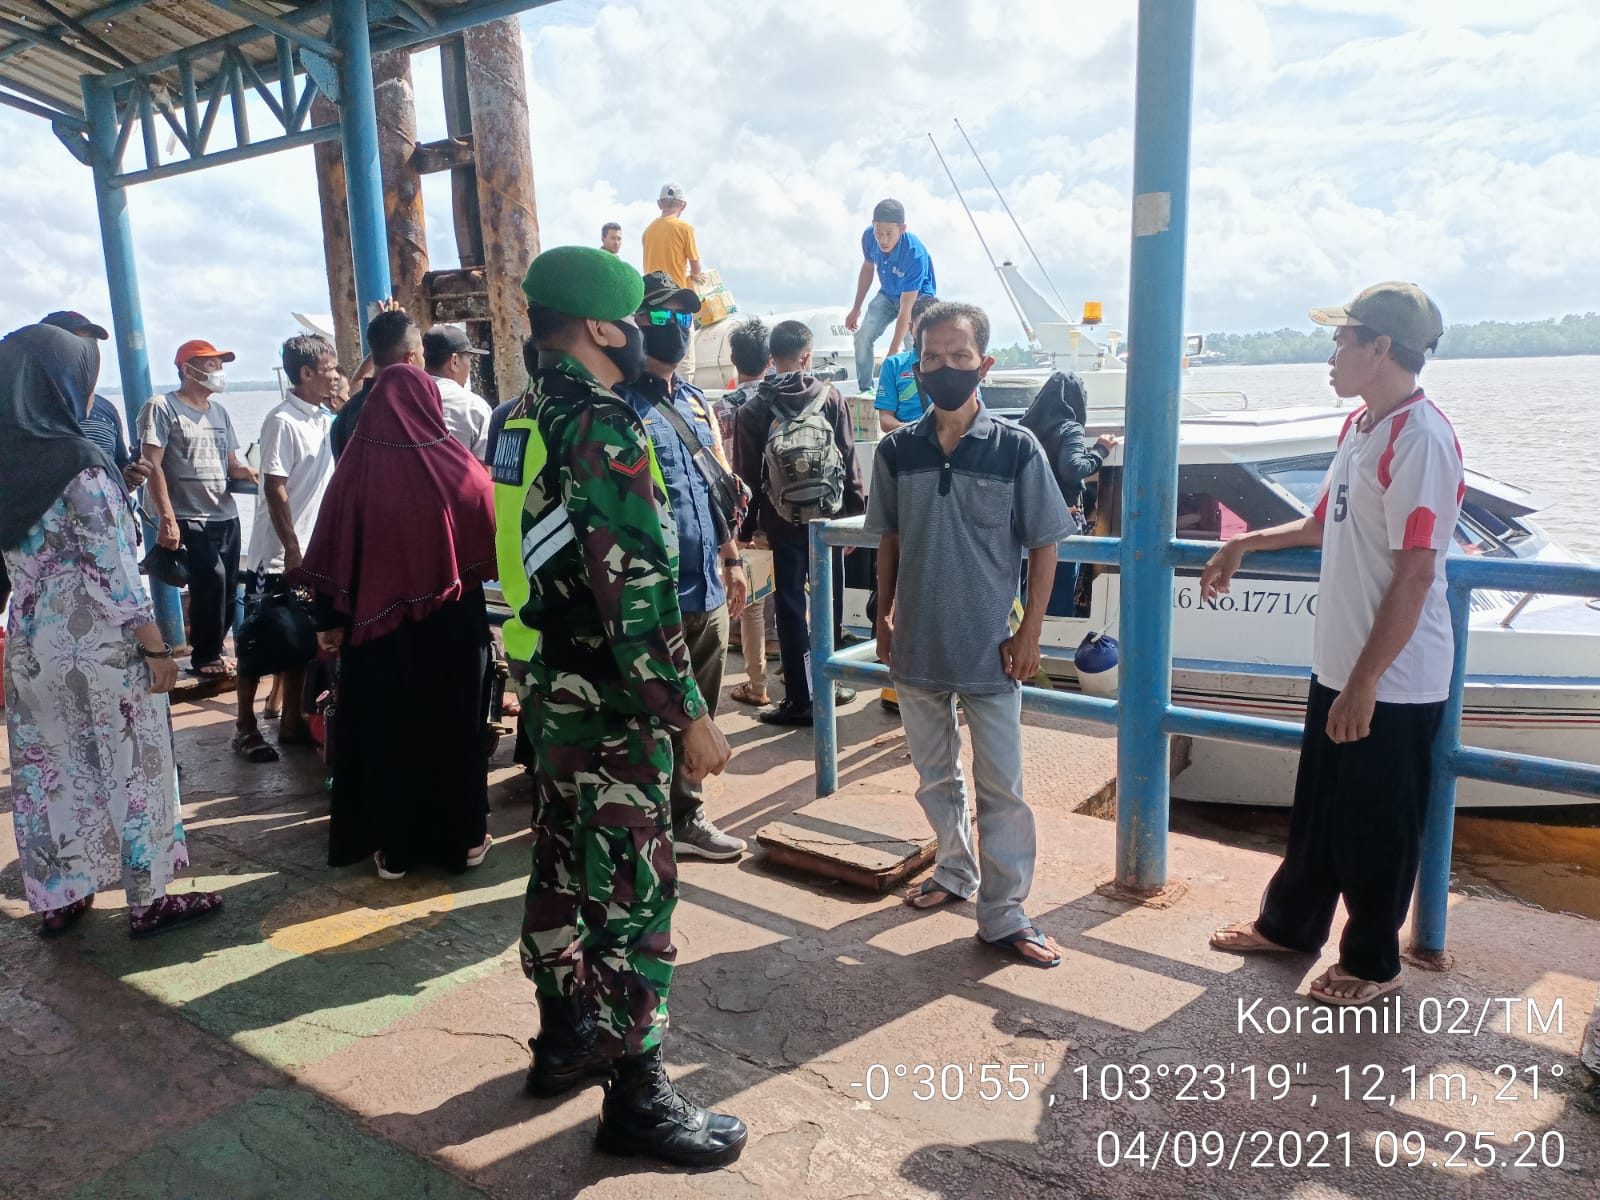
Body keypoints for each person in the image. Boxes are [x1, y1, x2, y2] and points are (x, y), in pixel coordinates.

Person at [503, 246, 743, 1168]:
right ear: (603, 327)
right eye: (637, 316)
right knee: (635, 896)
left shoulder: (529, 416)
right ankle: (636, 1097)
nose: (648, 330)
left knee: (563, 865)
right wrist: (687, 713)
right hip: (612, 704)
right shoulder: (604, 425)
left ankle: (563, 1035)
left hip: (554, 687)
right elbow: (633, 593)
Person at [1204, 282, 1460, 1007]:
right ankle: (1291, 925)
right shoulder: (1362, 427)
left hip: (1393, 679)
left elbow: (1416, 572)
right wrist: (1248, 541)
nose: (1331, 354)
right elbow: (1324, 521)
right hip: (1342, 664)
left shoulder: (1421, 439)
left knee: (1378, 822)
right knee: (1318, 811)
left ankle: (1374, 965)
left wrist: (1366, 682)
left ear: (1380, 348)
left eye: (1343, 340)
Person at [866, 302, 1074, 968]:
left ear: (984, 363)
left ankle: (1005, 911)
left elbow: (1045, 545)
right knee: (933, 778)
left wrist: (1030, 632)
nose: (946, 368)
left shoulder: (1018, 448)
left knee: (1002, 787)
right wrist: (884, 616)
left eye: (960, 357)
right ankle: (955, 872)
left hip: (993, 650)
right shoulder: (897, 450)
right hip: (917, 645)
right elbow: (890, 539)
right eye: (933, 358)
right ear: (917, 366)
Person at [1, 324, 222, 939]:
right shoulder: (78, 459)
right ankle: (149, 899)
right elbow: (115, 567)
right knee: (137, 767)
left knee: (52, 773)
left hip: (32, 649)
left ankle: (60, 895)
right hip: (104, 647)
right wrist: (156, 646)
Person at [296, 364, 497, 879]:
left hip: (376, 634)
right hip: (454, 629)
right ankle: (463, 841)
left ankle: (393, 848)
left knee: (389, 732)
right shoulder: (460, 468)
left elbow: (330, 556)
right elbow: (490, 533)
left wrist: (329, 622)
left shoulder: (354, 475)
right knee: (454, 731)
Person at [619, 272, 749, 861]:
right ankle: (647, 825)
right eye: (664, 318)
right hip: (653, 596)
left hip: (707, 588)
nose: (679, 329)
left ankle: (688, 816)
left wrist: (733, 558)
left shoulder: (697, 404)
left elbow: (710, 492)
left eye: (686, 318)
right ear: (634, 325)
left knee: (703, 707)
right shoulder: (617, 406)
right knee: (651, 717)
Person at [732, 319, 865, 727]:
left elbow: (747, 475)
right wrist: (853, 518)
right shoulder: (832, 398)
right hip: (828, 520)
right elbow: (847, 459)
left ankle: (801, 696)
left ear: (772, 359)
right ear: (807, 356)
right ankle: (836, 684)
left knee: (791, 607)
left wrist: (748, 528)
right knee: (831, 602)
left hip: (782, 521)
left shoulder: (754, 408)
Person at [234, 334, 341, 764]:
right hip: (277, 556)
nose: (336, 375)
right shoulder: (282, 421)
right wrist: (292, 548)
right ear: (307, 373)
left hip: (311, 553)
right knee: (258, 641)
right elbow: (274, 487)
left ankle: (293, 718)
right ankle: (244, 726)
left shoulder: (322, 417)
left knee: (299, 639)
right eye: (329, 368)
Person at [137, 338, 257, 677]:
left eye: (220, 364)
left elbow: (233, 463)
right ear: (187, 369)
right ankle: (205, 656)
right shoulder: (162, 407)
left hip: (225, 513)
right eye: (210, 364)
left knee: (229, 583)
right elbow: (153, 465)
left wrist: (255, 473)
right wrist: (166, 519)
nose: (218, 371)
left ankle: (214, 651)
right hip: (189, 514)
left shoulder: (220, 412)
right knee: (211, 581)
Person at [1018, 370, 1118, 616]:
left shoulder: (1024, 428)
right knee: (1057, 590)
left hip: (1025, 521)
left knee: (1021, 587)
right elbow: (1074, 469)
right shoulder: (1070, 428)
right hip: (1060, 522)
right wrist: (1100, 451)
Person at [717, 317, 779, 706]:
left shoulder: (720, 407)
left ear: (734, 360)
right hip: (779, 508)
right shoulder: (778, 401)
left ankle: (757, 685)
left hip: (739, 514)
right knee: (790, 593)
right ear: (769, 359)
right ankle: (797, 670)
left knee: (751, 602)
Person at [38, 311, 152, 492]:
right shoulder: (16, 407)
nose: (87, 352)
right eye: (76, 344)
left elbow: (117, 479)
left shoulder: (105, 408)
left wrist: (133, 477)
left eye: (92, 344)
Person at [846, 198, 937, 395]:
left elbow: (906, 307)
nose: (883, 240)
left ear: (902, 228)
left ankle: (917, 392)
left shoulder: (914, 254)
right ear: (873, 227)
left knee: (913, 343)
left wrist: (893, 349)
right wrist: (856, 308)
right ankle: (866, 391)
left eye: (889, 234)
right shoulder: (869, 237)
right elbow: (868, 267)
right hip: (888, 293)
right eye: (879, 233)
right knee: (862, 336)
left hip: (917, 299)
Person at [328, 309, 424, 461]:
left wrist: (385, 339)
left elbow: (359, 382)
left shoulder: (348, 411)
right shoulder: (408, 412)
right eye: (422, 354)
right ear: (411, 358)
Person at [873, 293, 942, 434]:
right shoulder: (893, 365)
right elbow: (885, 420)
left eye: (934, 327)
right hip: (911, 444)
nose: (927, 333)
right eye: (922, 326)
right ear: (911, 328)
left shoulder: (958, 365)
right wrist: (915, 430)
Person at [422, 324, 493, 459]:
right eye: (469, 358)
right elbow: (485, 471)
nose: (470, 366)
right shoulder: (473, 406)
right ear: (454, 361)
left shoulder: (404, 398)